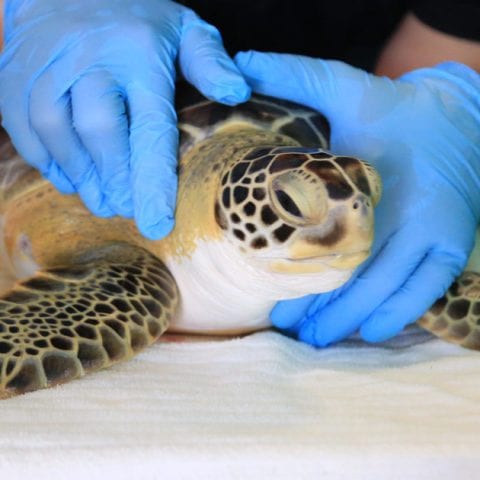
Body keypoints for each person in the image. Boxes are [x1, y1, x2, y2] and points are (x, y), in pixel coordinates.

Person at [0, 0, 479, 347]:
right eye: (290, 203)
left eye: (365, 196)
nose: (352, 223)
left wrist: (453, 104)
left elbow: (439, 53)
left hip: (341, 97)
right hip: (76, 89)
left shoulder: (358, 220)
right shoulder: (127, 277)